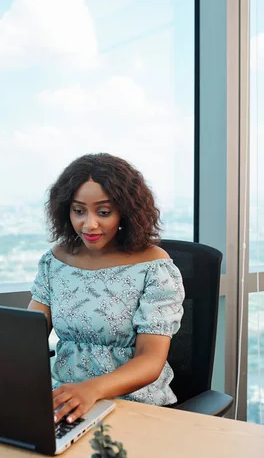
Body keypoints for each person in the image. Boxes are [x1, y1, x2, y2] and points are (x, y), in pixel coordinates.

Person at [29, 153, 185, 425]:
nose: (89, 224)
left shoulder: (154, 267)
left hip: (134, 406)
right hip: (66, 402)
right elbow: (27, 334)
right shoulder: (55, 261)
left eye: (103, 212)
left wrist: (92, 389)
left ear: (125, 211)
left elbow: (150, 359)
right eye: (79, 211)